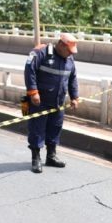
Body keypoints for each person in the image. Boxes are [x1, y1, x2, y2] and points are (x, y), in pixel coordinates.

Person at [23, 32, 80, 173]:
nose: (69, 54)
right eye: (68, 50)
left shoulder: (69, 60)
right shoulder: (41, 52)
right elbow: (29, 70)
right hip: (39, 101)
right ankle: (36, 159)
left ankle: (51, 156)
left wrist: (74, 97)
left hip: (58, 102)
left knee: (55, 128)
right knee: (37, 129)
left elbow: (72, 78)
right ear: (61, 44)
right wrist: (33, 92)